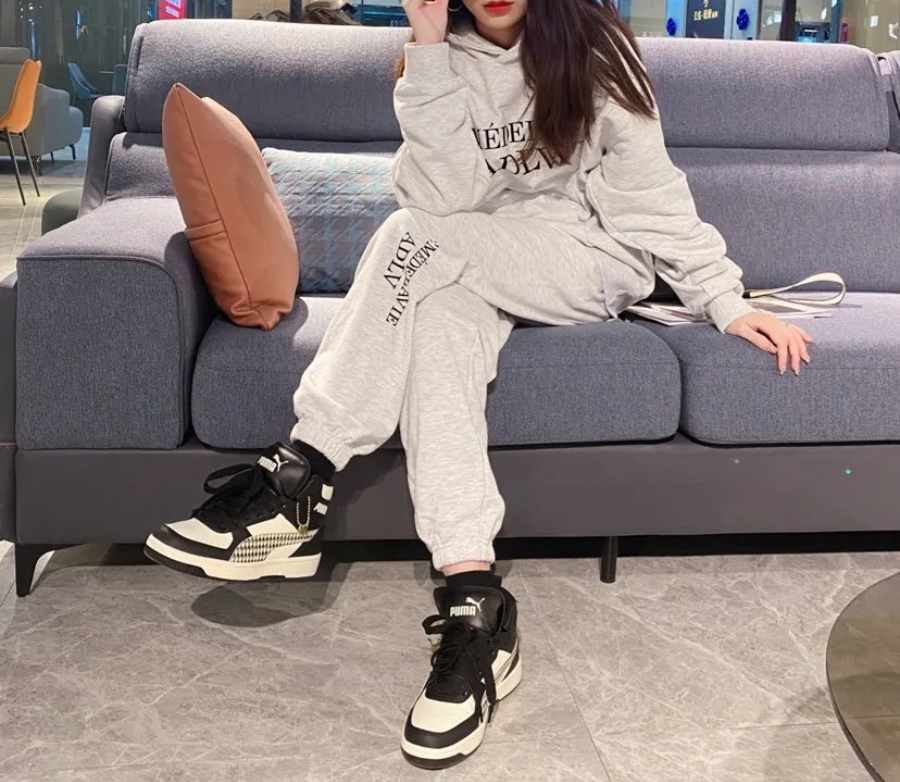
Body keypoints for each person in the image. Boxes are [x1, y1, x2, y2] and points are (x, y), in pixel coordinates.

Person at [144, 0, 813, 769]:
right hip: (475, 255)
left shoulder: (594, 50)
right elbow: (440, 203)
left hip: (587, 260)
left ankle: (304, 471)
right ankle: (476, 606)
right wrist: (430, 48)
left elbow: (652, 193)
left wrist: (726, 300)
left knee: (410, 239)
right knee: (435, 324)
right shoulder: (438, 57)